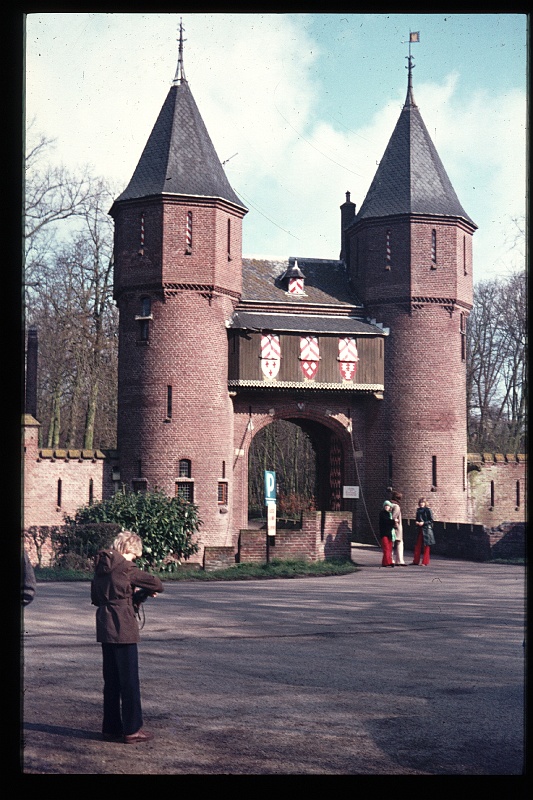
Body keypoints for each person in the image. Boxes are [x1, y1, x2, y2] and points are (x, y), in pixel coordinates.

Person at [91, 531, 163, 744]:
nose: (135, 560)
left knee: (111, 681)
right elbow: (157, 584)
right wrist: (142, 592)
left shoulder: (101, 566)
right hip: (123, 626)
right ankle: (132, 729)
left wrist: (133, 594)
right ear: (128, 549)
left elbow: (97, 598)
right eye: (135, 555)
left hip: (105, 624)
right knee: (129, 681)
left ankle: (111, 728)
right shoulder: (125, 566)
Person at [412, 498, 435, 566]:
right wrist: (417, 522)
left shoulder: (428, 510)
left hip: (426, 530)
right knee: (417, 545)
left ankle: (425, 562)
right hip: (419, 529)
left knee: (426, 546)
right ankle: (416, 561)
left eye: (423, 502)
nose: (421, 504)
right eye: (420, 502)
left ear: (425, 503)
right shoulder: (418, 511)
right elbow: (417, 519)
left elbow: (431, 520)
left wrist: (424, 523)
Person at [390, 490, 405, 565]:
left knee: (391, 543)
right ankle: (399, 560)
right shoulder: (396, 506)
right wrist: (395, 523)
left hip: (390, 527)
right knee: (399, 542)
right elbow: (394, 517)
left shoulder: (389, 505)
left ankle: (390, 559)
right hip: (396, 527)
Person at [379, 500, 395, 567]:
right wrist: (393, 521)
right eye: (385, 505)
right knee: (386, 548)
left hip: (390, 533)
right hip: (384, 533)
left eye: (388, 506)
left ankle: (385, 562)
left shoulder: (390, 514)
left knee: (389, 548)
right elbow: (386, 521)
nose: (386, 507)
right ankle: (388, 562)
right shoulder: (382, 513)